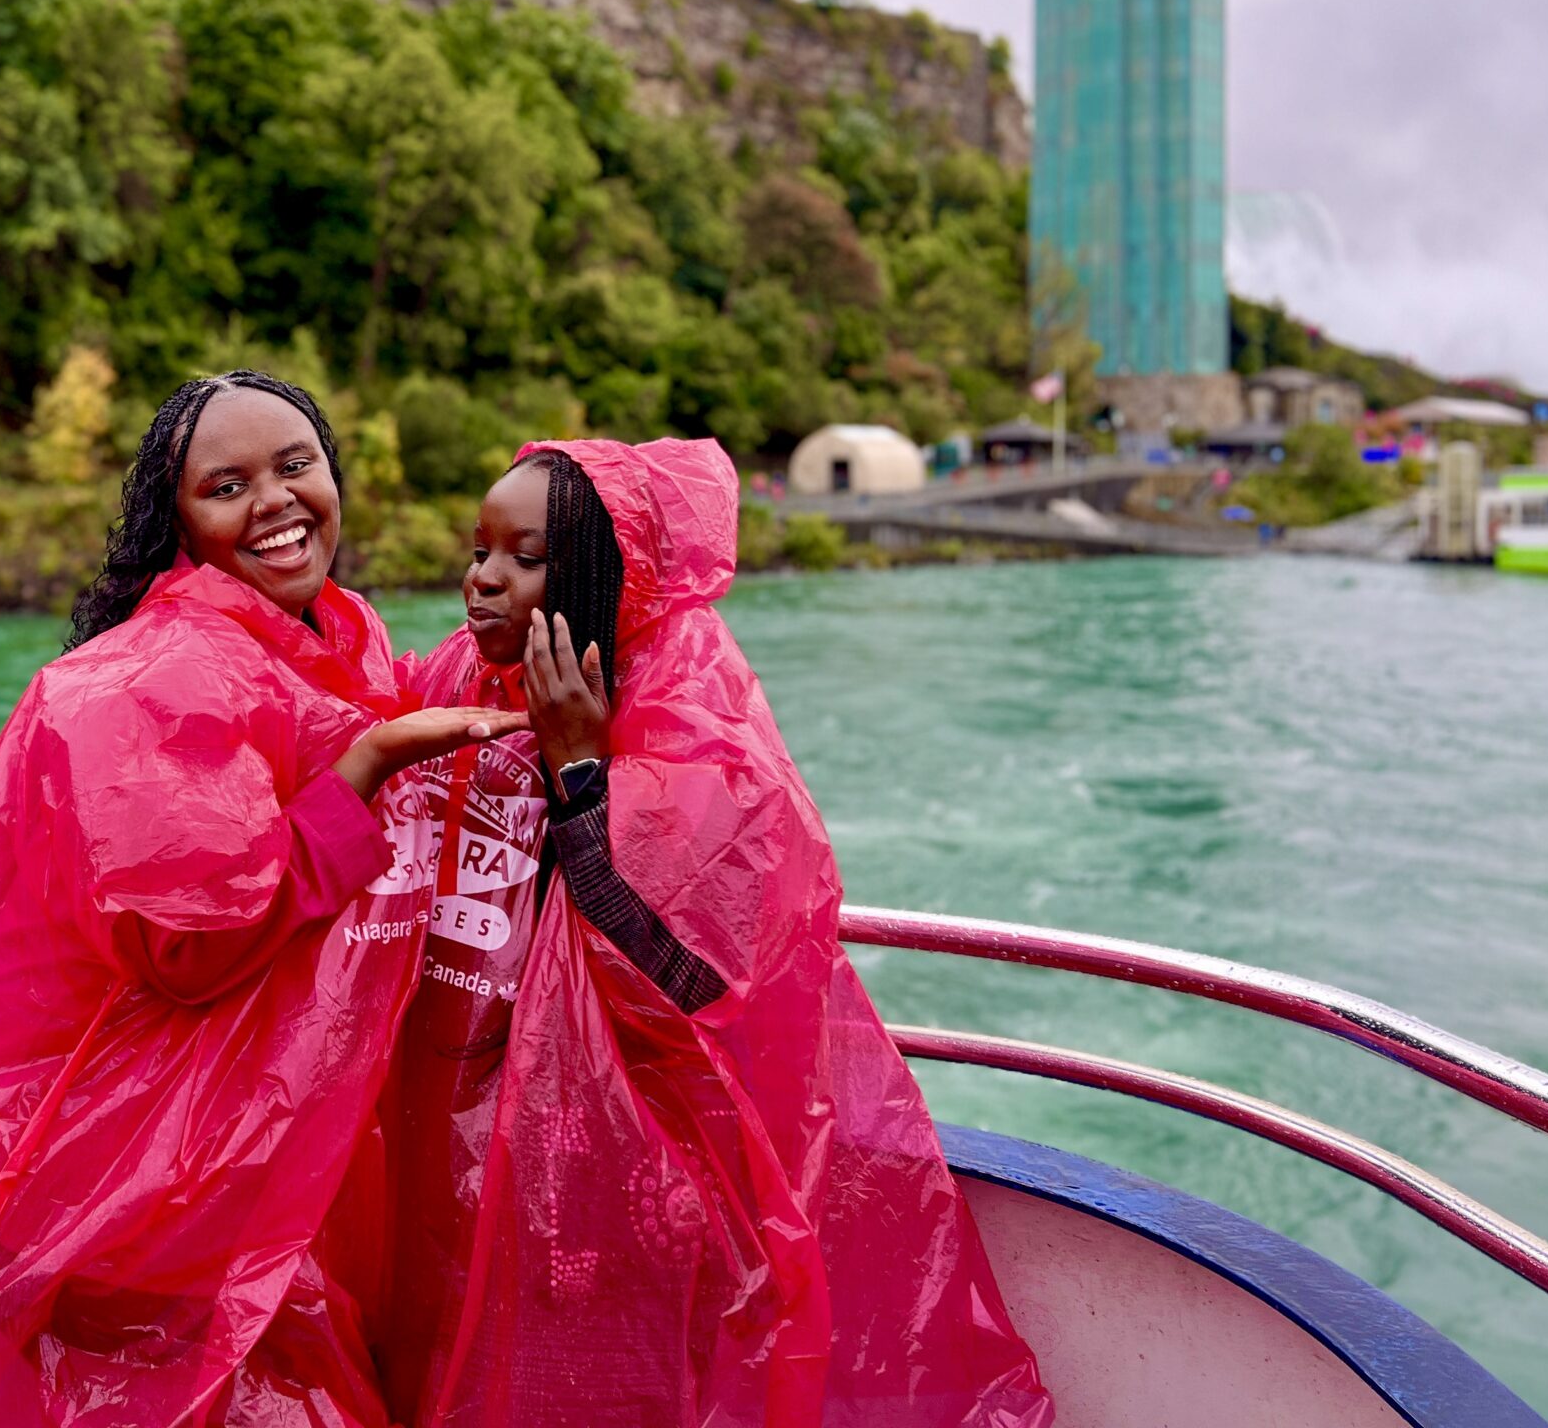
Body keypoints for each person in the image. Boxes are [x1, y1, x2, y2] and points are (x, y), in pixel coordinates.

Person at [0, 371, 523, 1428]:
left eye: (294, 464)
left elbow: (413, 699)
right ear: (175, 519)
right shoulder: (147, 680)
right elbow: (188, 944)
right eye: (227, 484)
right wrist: (360, 773)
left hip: (253, 1152)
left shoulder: (337, 637)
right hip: (143, 1181)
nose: (273, 501)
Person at [379, 438, 1053, 1427]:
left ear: (601, 579)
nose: (481, 580)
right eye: (477, 550)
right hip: (478, 1142)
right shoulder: (466, 676)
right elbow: (340, 722)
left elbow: (695, 975)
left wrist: (579, 774)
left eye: (523, 559)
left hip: (626, 1168)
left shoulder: (697, 738)